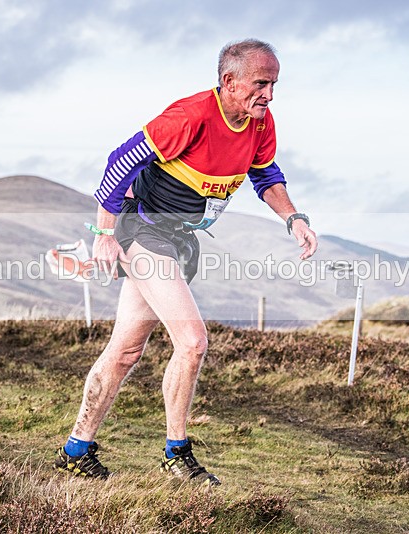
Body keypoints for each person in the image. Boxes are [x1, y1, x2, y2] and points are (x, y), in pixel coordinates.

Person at [54, 39, 318, 485]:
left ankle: (76, 449)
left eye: (273, 84)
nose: (269, 95)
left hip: (180, 240)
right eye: (261, 84)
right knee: (193, 342)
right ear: (229, 81)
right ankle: (177, 454)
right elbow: (120, 162)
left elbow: (266, 174)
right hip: (143, 231)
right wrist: (103, 234)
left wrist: (293, 217)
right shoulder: (191, 116)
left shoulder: (259, 123)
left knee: (125, 352)